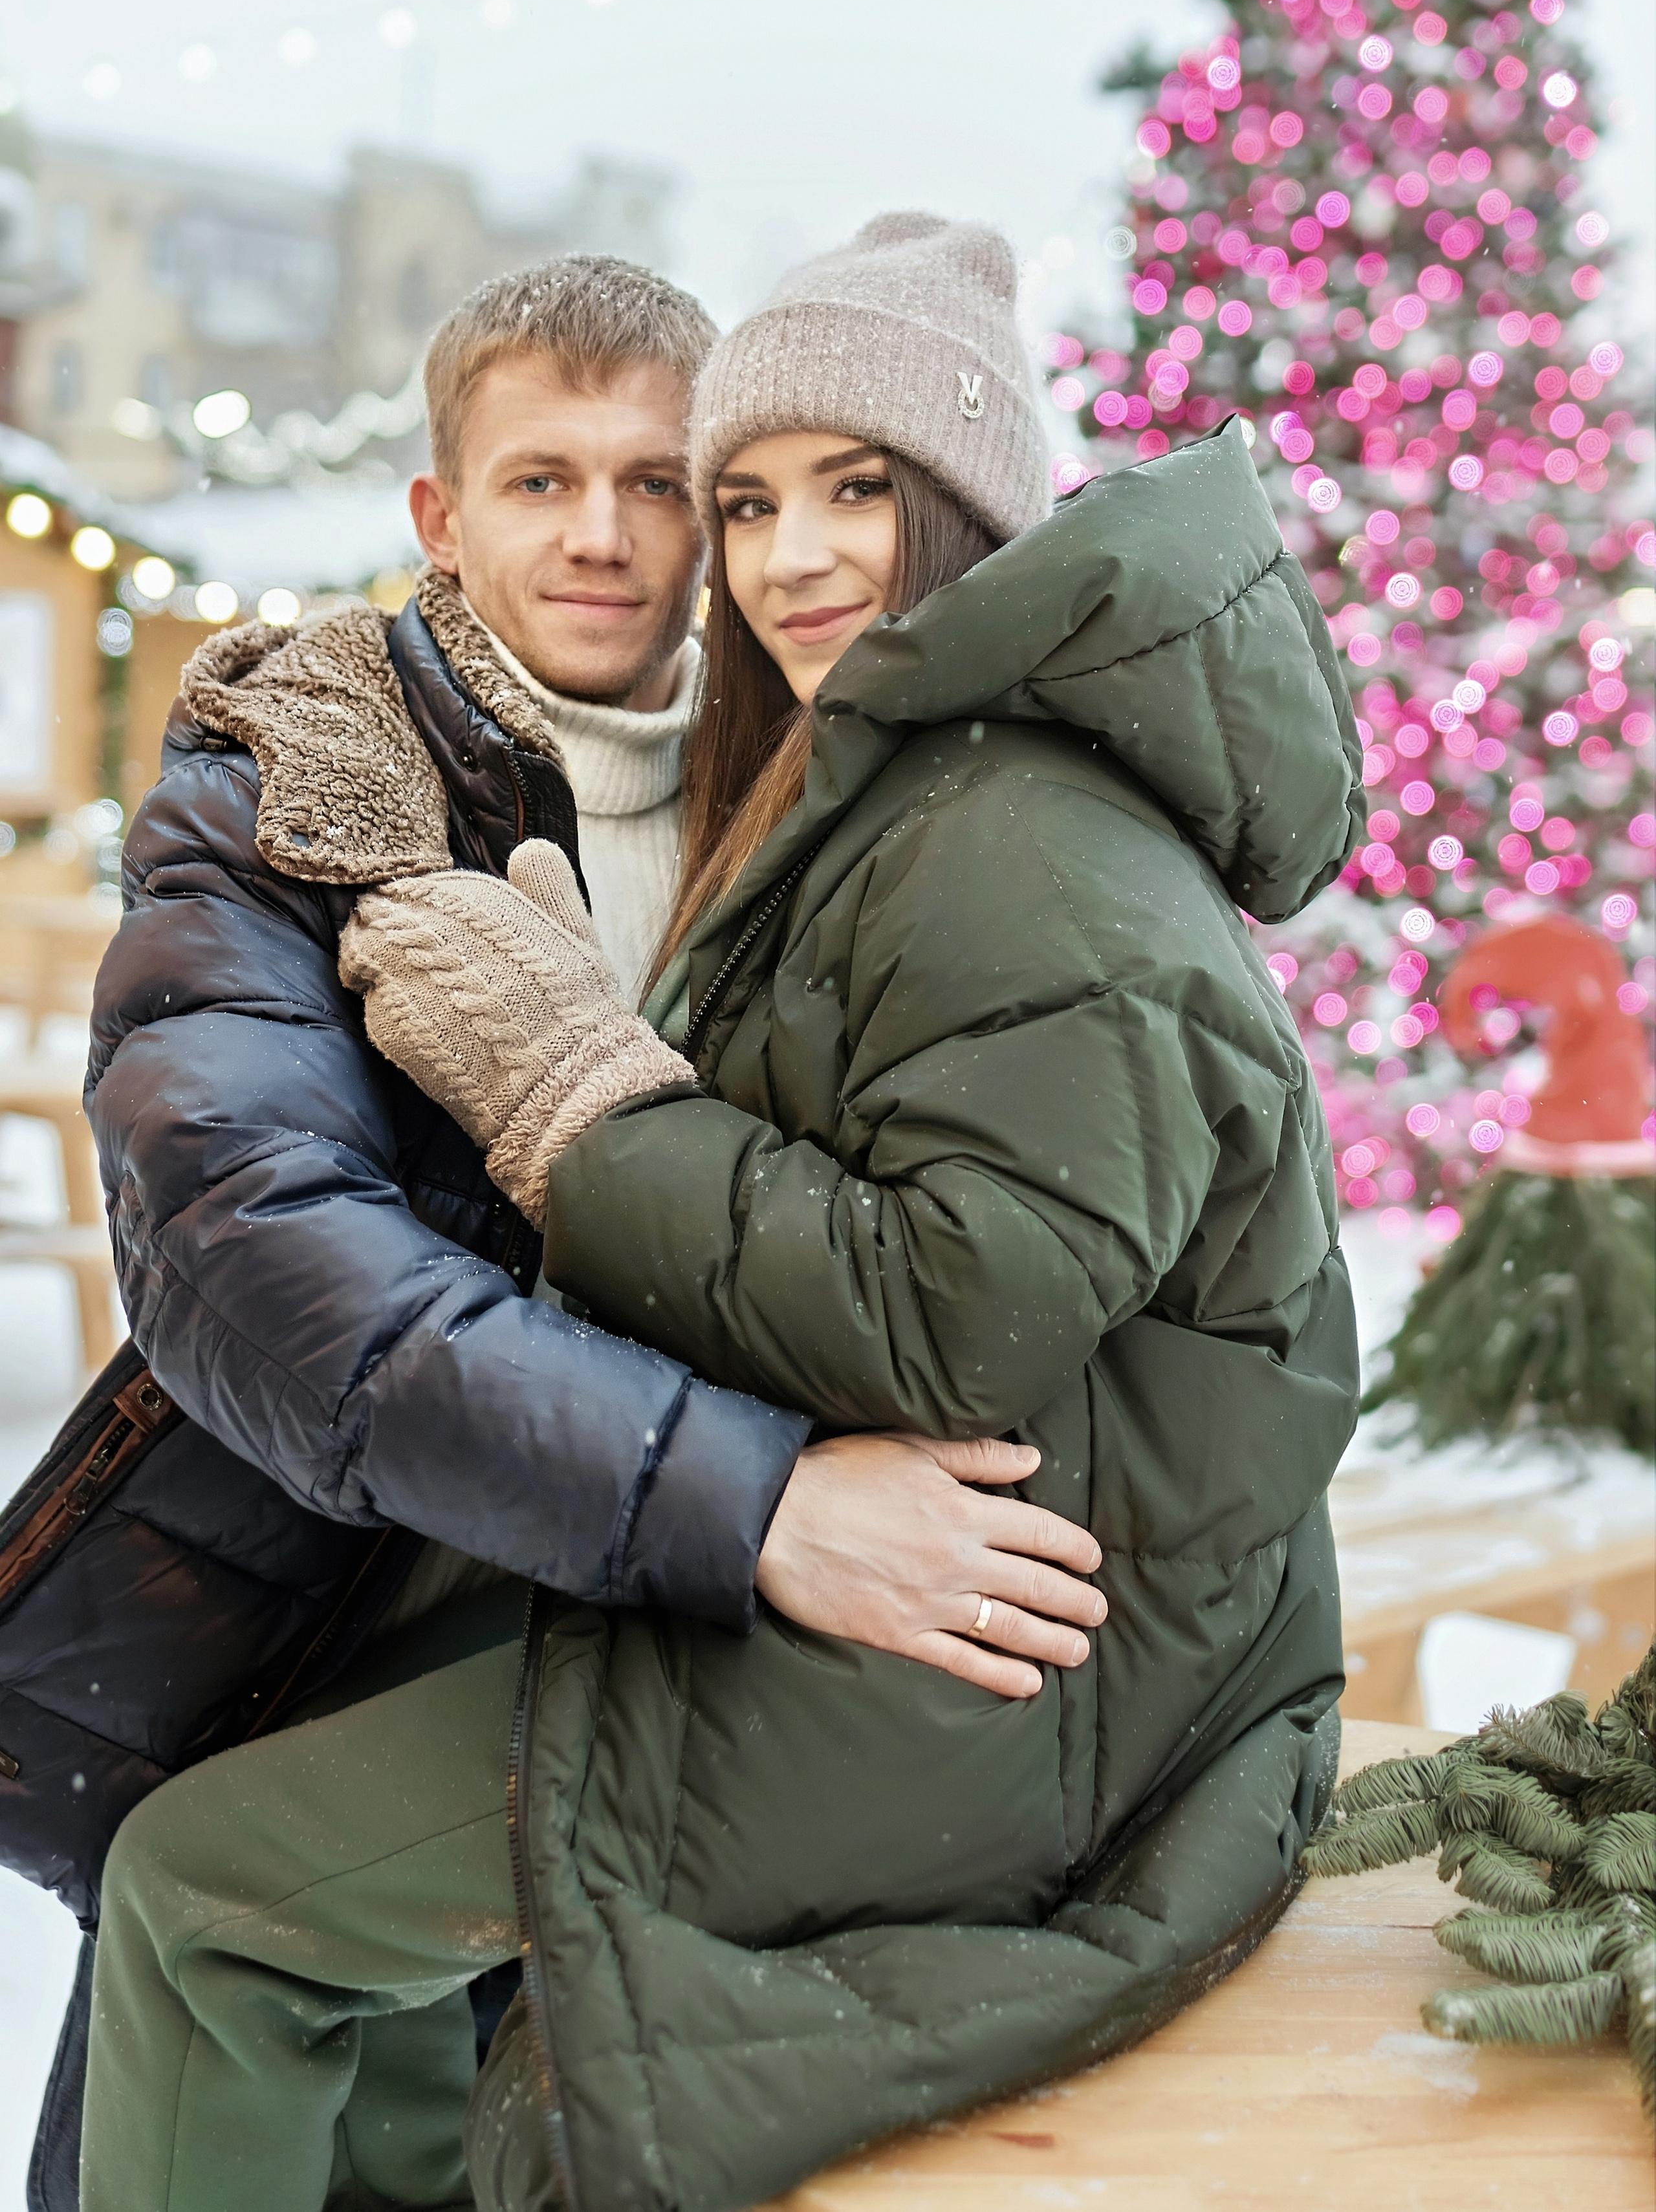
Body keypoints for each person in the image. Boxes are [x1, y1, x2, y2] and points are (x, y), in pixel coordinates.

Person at [85, 213, 1366, 2212]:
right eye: (749, 497)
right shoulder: (363, 789)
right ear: (440, 514)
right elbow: (256, 1235)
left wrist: (579, 1101)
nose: (774, 553)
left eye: (843, 488)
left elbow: (953, 1305)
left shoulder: (969, 812)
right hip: (668, 1520)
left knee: (211, 1901)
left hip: (993, 1615)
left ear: (969, 500)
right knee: (311, 1863)